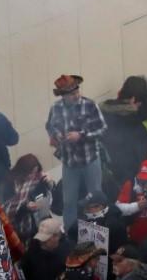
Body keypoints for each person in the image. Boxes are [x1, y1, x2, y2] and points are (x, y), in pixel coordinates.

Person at [44, 73, 107, 236]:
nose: (76, 95)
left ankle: (100, 228)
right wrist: (56, 135)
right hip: (69, 162)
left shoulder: (89, 105)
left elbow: (102, 129)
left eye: (77, 91)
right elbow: (50, 126)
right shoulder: (56, 108)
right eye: (72, 94)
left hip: (90, 159)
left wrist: (81, 135)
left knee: (96, 195)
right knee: (68, 201)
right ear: (63, 95)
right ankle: (72, 233)